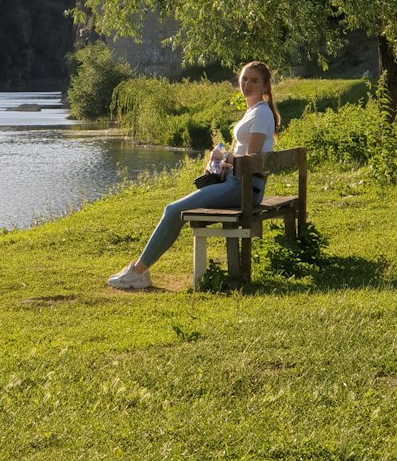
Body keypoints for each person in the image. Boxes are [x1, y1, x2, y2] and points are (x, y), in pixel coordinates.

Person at [107, 61, 281, 290]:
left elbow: (251, 159)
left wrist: (224, 155)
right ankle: (139, 270)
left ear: (266, 85)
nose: (247, 84)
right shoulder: (255, 110)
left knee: (172, 210)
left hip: (242, 188)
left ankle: (138, 273)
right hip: (240, 183)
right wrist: (220, 164)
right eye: (244, 79)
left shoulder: (260, 114)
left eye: (254, 80)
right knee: (174, 210)